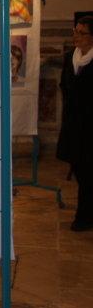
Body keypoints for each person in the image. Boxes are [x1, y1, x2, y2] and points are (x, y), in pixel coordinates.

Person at [57, 15, 93, 231]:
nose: (76, 36)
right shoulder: (70, 57)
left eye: (82, 33)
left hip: (90, 126)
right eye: (75, 32)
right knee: (80, 169)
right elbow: (64, 85)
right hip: (74, 124)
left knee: (88, 171)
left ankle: (84, 216)